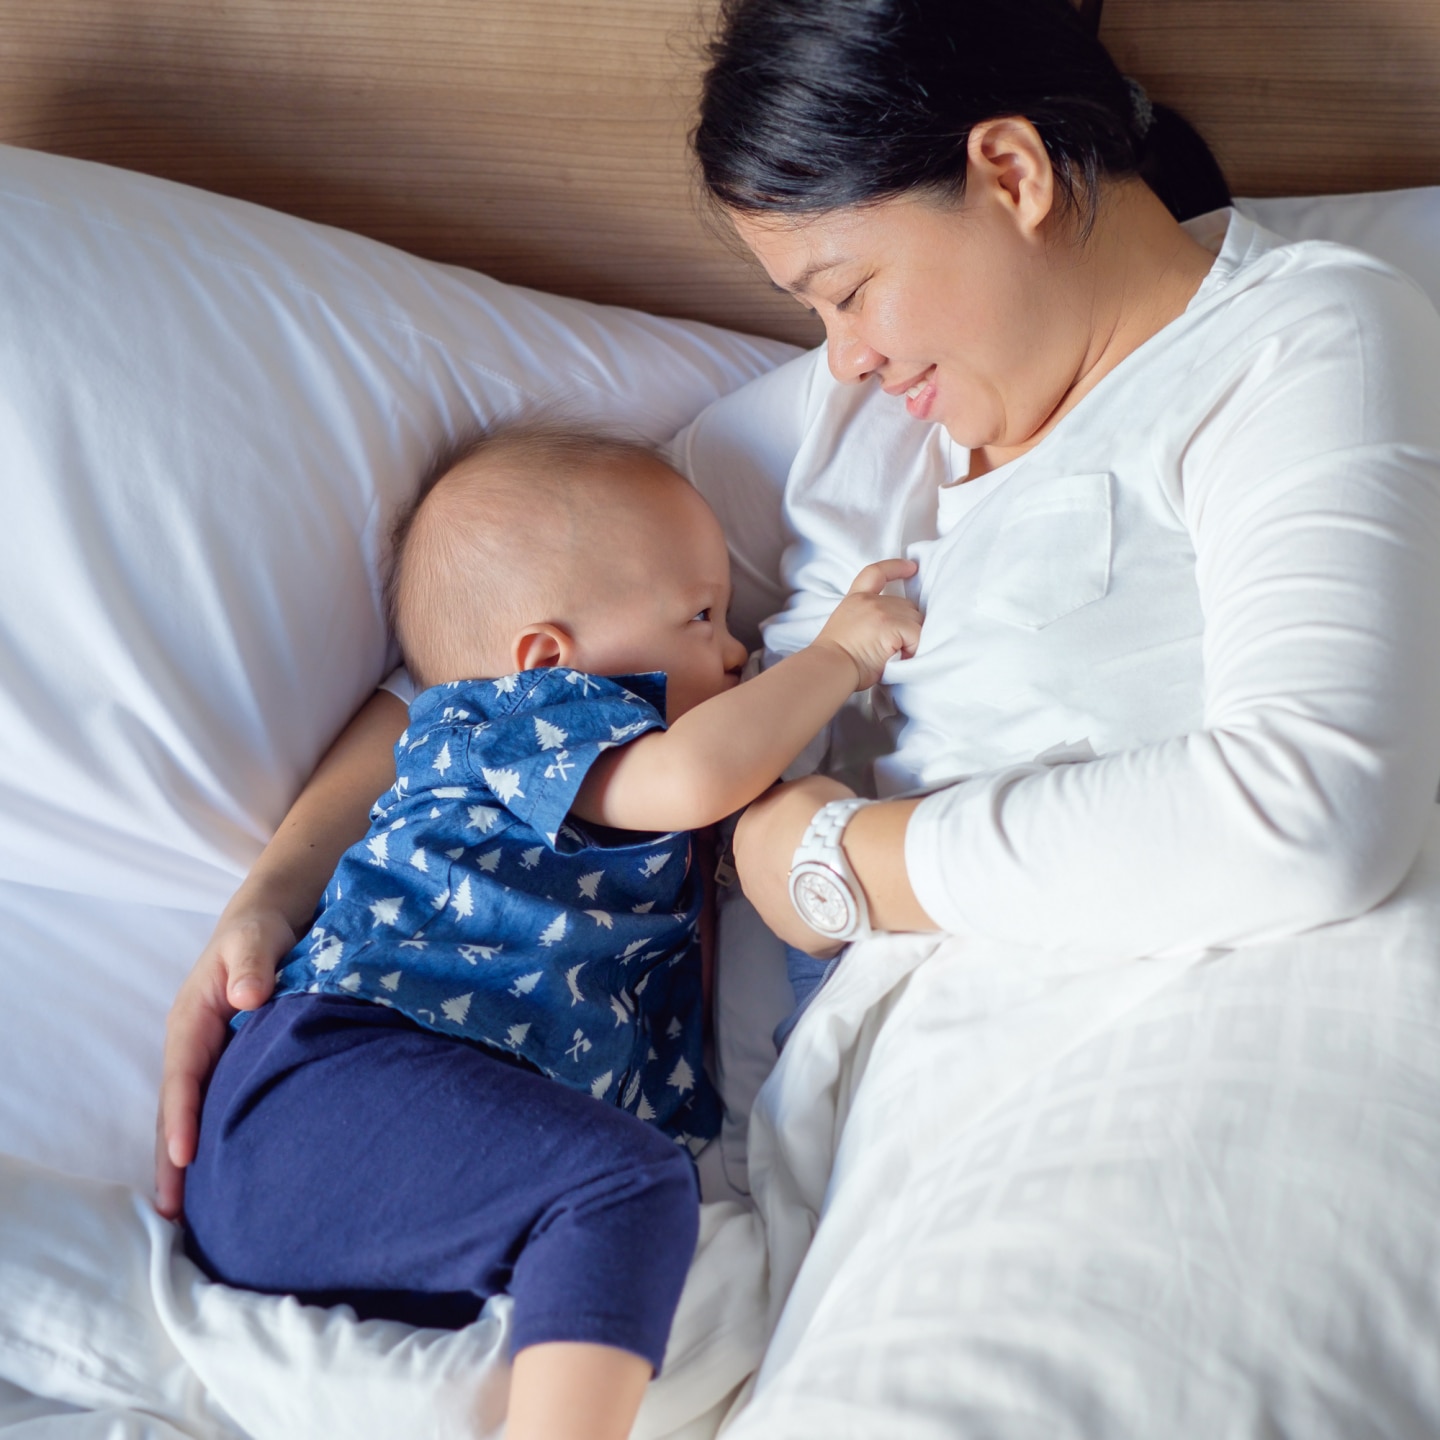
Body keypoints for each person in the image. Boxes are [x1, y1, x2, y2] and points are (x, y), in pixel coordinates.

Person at [160, 0, 1440, 1421]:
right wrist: (272, 899)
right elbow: (480, 679)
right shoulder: (844, 445)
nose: (840, 355)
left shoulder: (1303, 333)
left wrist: (833, 855)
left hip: (1229, 1020)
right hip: (910, 1129)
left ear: (1011, 172)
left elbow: (1310, 814)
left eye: (848, 286)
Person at [180, 424, 921, 1440]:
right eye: (702, 616)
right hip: (334, 1085)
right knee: (627, 1188)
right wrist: (836, 655)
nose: (740, 648)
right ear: (546, 655)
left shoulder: (623, 811)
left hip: (403, 1177)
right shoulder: (525, 718)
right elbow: (694, 774)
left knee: (621, 1200)